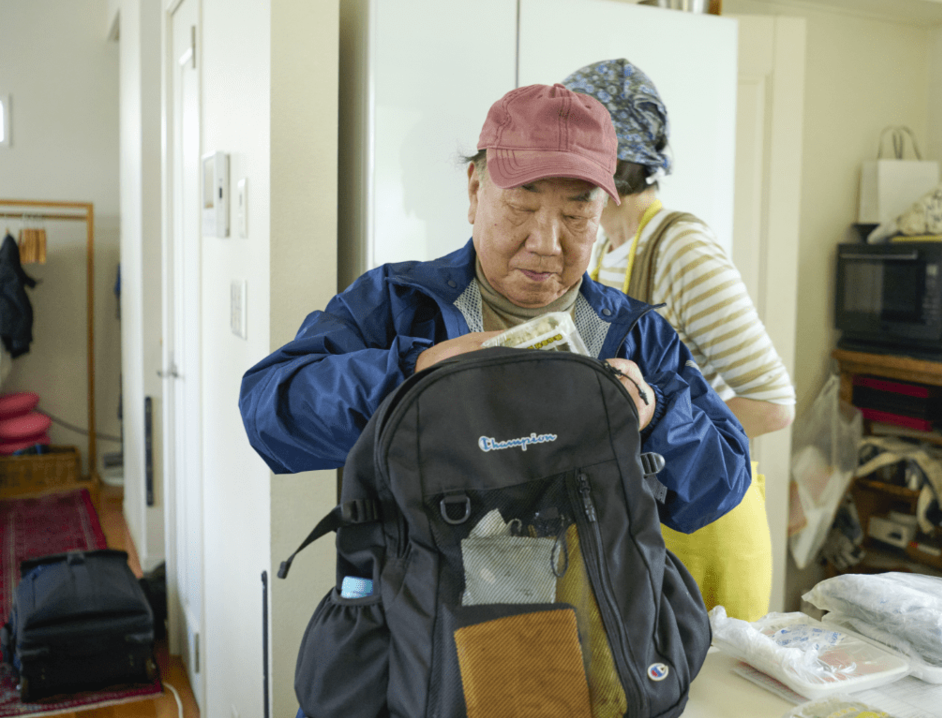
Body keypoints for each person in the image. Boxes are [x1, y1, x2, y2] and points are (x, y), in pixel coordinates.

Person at [239, 82, 751, 537]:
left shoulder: (637, 334)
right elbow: (269, 416)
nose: (545, 243)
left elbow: (720, 487)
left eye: (577, 213)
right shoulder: (397, 302)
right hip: (424, 606)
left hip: (591, 608)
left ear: (602, 213)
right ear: (474, 190)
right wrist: (414, 375)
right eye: (521, 206)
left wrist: (653, 413)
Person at [563, 59, 795, 621]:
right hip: (647, 513)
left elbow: (773, 402)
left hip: (704, 518)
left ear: (610, 159)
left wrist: (676, 438)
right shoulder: (605, 249)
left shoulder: (680, 248)